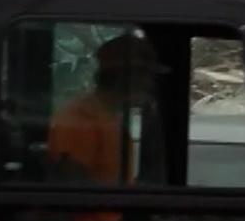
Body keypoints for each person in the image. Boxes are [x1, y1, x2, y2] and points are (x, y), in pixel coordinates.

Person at [47, 32, 161, 184]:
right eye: (146, 75)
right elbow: (75, 193)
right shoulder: (81, 120)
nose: (150, 84)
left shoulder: (110, 117)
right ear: (124, 76)